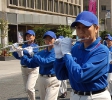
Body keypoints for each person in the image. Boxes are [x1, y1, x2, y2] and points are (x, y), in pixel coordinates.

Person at [54, 11, 111, 100]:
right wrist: (59, 57)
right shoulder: (75, 48)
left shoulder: (102, 50)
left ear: (96, 28)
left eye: (86, 27)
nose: (81, 31)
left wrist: (67, 54)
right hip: (75, 95)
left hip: (96, 96)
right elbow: (61, 75)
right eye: (78, 27)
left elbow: (81, 76)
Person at [17, 31, 61, 100]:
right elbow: (31, 64)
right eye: (46, 39)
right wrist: (22, 56)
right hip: (42, 79)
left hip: (53, 80)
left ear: (55, 39)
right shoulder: (42, 52)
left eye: (50, 38)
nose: (48, 40)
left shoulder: (57, 52)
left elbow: (46, 63)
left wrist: (33, 54)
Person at [12, 30, 39, 100]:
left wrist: (23, 50)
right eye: (27, 36)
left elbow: (33, 55)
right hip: (24, 69)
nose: (28, 37)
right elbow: (19, 57)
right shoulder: (24, 45)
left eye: (30, 36)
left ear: (34, 37)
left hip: (33, 69)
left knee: (29, 88)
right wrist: (14, 51)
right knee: (26, 89)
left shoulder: (36, 46)